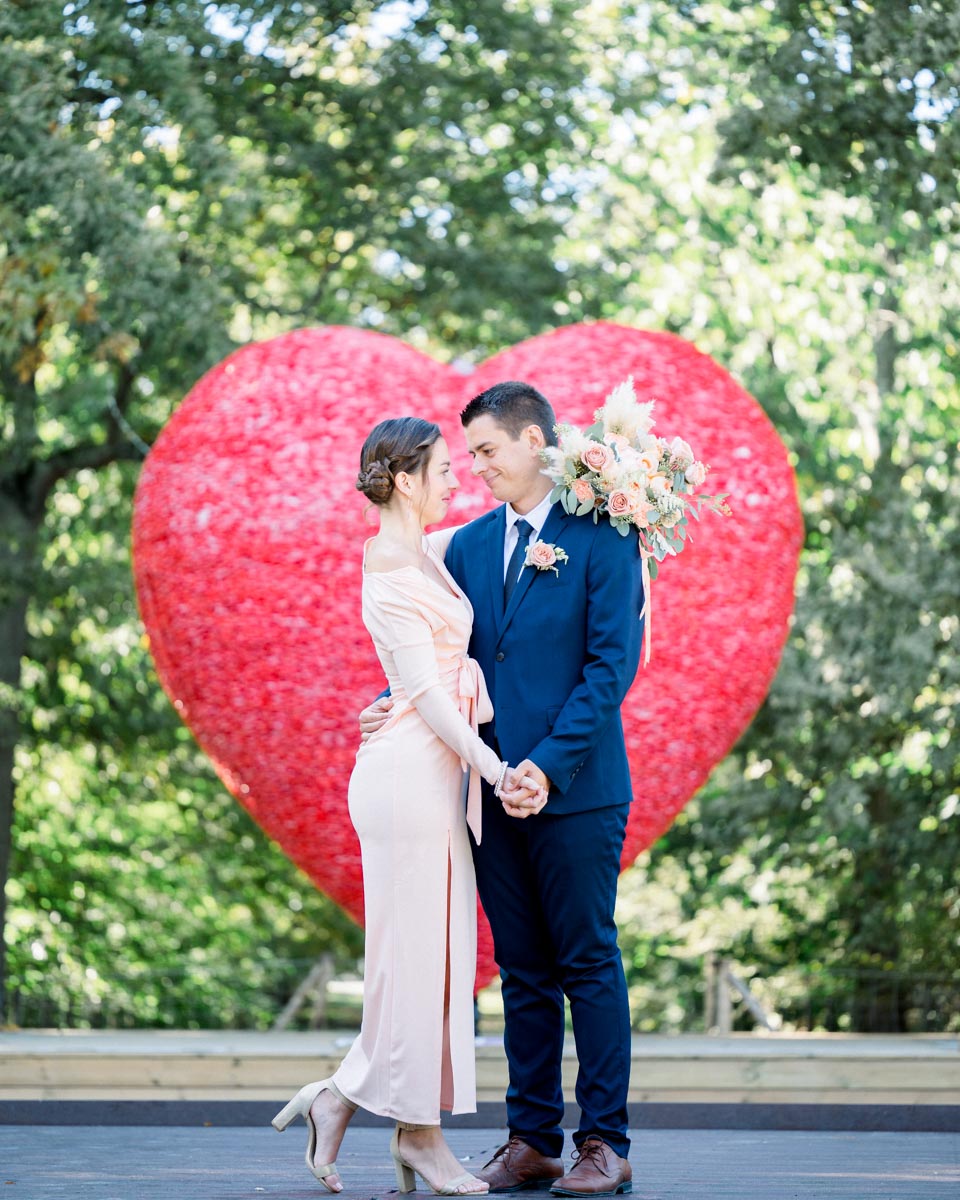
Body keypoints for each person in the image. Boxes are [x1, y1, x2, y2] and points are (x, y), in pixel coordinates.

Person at [362, 382, 644, 1197]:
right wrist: (391, 699)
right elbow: (434, 648)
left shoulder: (605, 534)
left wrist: (545, 767)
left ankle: (603, 1141)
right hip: (486, 788)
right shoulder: (469, 547)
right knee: (520, 968)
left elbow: (609, 669)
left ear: (533, 441)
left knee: (587, 959)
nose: (476, 468)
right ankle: (530, 1140)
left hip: (578, 788)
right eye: (467, 457)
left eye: (486, 451)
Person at [273, 416, 544, 1195]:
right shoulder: (386, 567)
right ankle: (413, 1135)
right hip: (407, 778)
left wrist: (591, 483)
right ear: (401, 480)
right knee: (417, 960)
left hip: (431, 775)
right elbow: (424, 691)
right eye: (443, 469)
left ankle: (355, 1105)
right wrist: (493, 769)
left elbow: (505, 524)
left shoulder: (425, 550)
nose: (458, 478)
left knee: (433, 959)